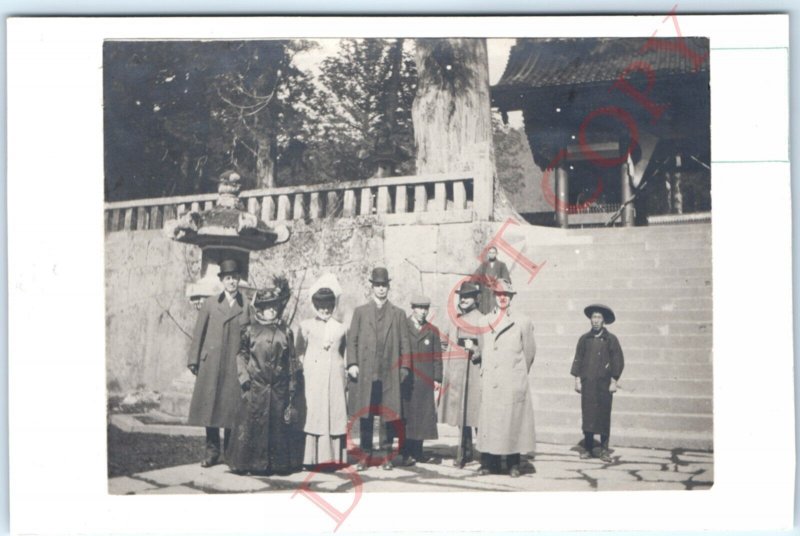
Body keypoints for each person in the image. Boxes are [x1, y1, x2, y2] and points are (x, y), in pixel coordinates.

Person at [226, 279, 306, 475]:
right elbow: (241, 355)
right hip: (256, 388)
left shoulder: (285, 332)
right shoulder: (250, 331)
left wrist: (292, 385)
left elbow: (292, 360)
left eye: (274, 307)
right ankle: (249, 464)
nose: (272, 310)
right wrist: (244, 378)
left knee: (277, 427)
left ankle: (276, 465)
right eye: (267, 307)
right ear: (260, 309)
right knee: (254, 425)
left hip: (278, 389)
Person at [186, 259, 250, 468]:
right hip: (211, 363)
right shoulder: (210, 303)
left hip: (233, 364)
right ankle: (212, 452)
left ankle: (230, 454)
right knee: (210, 408)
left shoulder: (246, 305)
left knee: (231, 408)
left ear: (239, 280)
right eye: (228, 278)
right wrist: (194, 359)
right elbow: (199, 333)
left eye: (235, 278)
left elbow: (250, 337)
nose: (232, 282)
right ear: (222, 280)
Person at [346, 267, 411, 471]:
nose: (381, 289)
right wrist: (353, 364)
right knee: (366, 415)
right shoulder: (360, 312)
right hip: (366, 373)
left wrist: (405, 369)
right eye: (377, 285)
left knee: (387, 416)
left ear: (388, 287)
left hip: (389, 374)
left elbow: (405, 344)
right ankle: (365, 456)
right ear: (372, 286)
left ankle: (385, 456)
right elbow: (352, 340)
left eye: (384, 285)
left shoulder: (398, 314)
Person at [475, 280, 536, 478]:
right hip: (492, 378)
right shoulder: (484, 321)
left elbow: (529, 352)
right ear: (493, 296)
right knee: (490, 422)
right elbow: (483, 347)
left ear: (511, 297)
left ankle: (513, 464)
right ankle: (488, 462)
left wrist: (516, 372)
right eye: (499, 294)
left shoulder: (523, 321)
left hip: (511, 379)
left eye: (506, 294)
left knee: (512, 422)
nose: (502, 298)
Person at [296, 274, 348, 470]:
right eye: (321, 307)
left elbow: (344, 352)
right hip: (313, 378)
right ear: (315, 307)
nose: (324, 311)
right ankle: (311, 458)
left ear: (333, 307)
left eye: (328, 307)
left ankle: (334, 458)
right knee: (314, 413)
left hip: (334, 377)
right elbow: (299, 351)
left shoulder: (341, 328)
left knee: (334, 413)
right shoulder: (306, 326)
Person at [570, 304, 625, 463]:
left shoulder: (611, 340)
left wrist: (614, 380)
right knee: (588, 415)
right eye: (593, 317)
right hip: (588, 384)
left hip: (604, 385)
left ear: (604, 321)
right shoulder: (584, 339)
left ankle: (604, 449)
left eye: (599, 318)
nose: (595, 321)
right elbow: (578, 359)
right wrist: (577, 379)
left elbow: (618, 361)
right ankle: (587, 448)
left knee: (603, 415)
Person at [438, 281, 483, 468]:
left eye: (468, 296)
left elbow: (485, 347)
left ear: (476, 299)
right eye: (462, 296)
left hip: (473, 373)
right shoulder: (453, 318)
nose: (464, 300)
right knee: (460, 416)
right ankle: (464, 450)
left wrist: (475, 351)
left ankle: (487, 454)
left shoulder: (481, 319)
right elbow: (443, 340)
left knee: (476, 414)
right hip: (455, 373)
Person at [401, 295, 442, 465]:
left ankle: (418, 452)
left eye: (425, 308)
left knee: (423, 417)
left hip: (425, 380)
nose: (423, 312)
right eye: (419, 308)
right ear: (412, 308)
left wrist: (437, 378)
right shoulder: (403, 327)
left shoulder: (432, 330)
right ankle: (405, 453)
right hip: (408, 379)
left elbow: (437, 357)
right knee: (408, 416)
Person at [474, 246, 511, 314]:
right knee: (485, 311)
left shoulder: (502, 265)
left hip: (496, 292)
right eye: (490, 253)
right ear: (488, 254)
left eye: (493, 252)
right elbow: (476, 275)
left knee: (496, 311)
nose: (492, 254)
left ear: (496, 254)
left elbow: (506, 278)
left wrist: (499, 282)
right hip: (485, 293)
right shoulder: (483, 265)